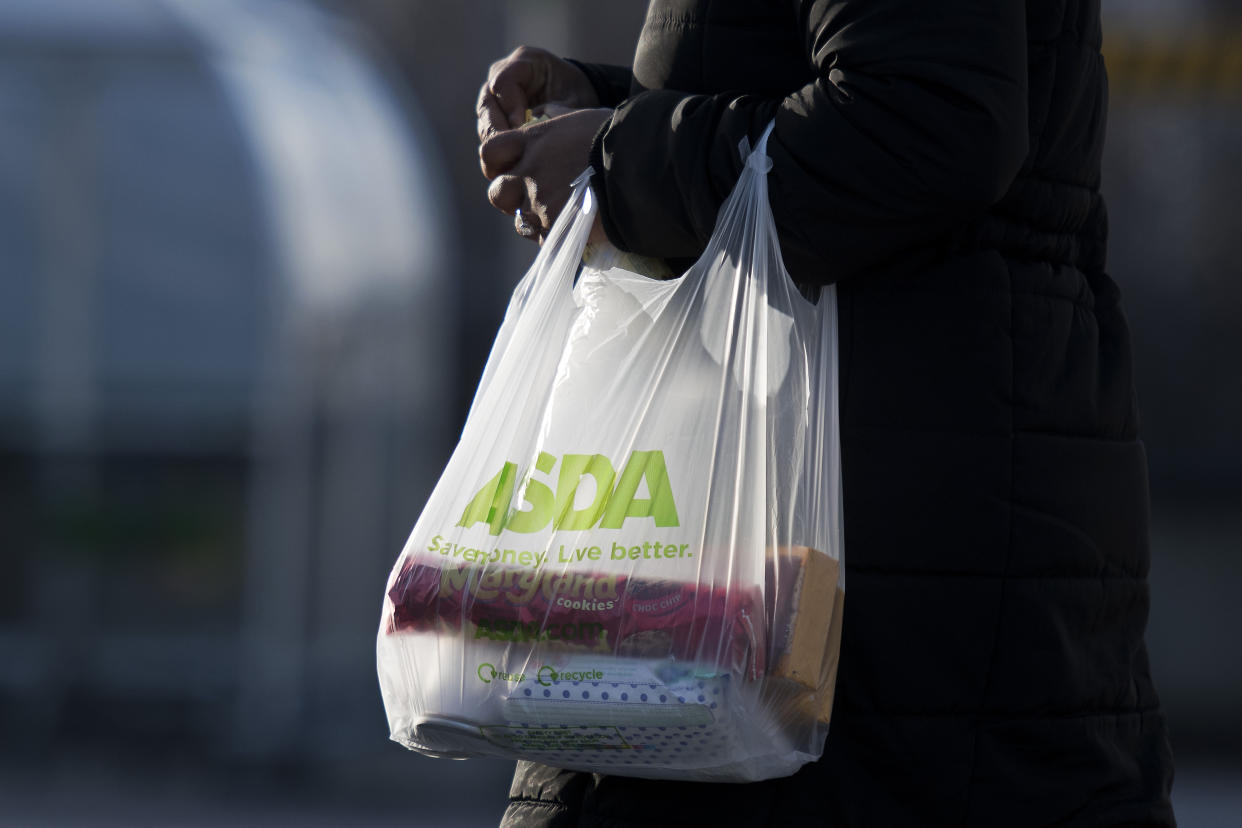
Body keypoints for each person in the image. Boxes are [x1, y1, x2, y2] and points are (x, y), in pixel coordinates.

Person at [476, 1, 1176, 825]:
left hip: (878, 567)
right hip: (886, 536)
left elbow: (930, 118)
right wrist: (612, 112)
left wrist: (619, 160)